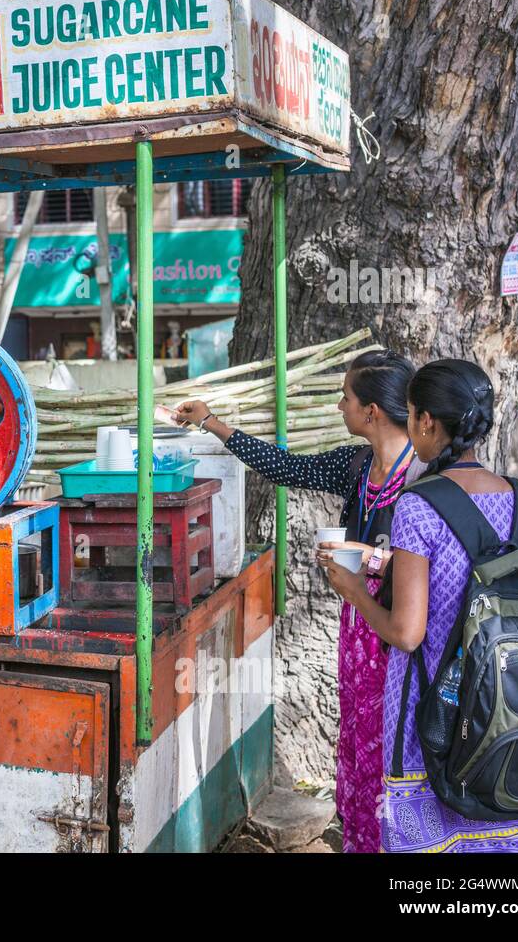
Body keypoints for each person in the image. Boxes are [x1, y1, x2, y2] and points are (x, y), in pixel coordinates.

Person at [173, 350, 422, 853]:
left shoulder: (425, 478)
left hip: (402, 637)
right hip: (358, 632)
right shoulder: (355, 466)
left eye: (347, 397)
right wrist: (214, 424)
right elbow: (287, 468)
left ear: (371, 411)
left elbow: (430, 569)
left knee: (394, 748)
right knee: (356, 742)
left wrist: (367, 560)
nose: (339, 406)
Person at [327, 359, 518, 852]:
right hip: (513, 707)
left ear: (426, 421)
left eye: (410, 414)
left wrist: (355, 591)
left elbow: (407, 632)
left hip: (435, 714)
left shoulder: (418, 504)